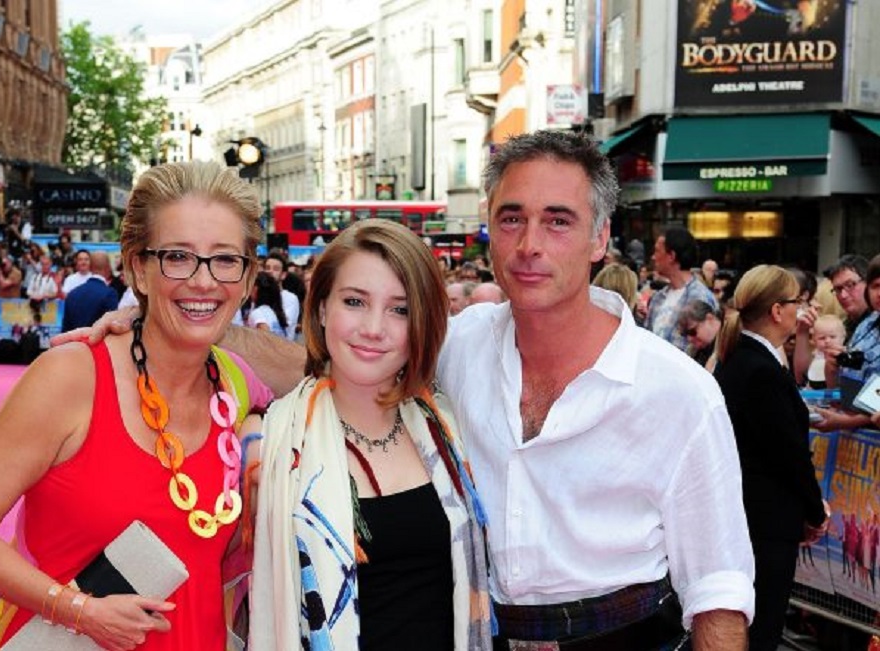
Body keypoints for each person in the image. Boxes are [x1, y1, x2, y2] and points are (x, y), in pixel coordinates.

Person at [71, 130, 756, 649]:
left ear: (601, 237)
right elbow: (325, 360)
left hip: (620, 636)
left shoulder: (679, 393)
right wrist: (151, 321)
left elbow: (719, 588)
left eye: (558, 220)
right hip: (483, 632)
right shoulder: (462, 347)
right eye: (511, 218)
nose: (530, 243)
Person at [0, 161, 272, 650]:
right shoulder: (72, 377)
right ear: (138, 267)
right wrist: (80, 610)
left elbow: (319, 380)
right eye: (178, 257)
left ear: (248, 276)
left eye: (225, 259)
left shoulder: (237, 387)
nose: (204, 281)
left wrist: (256, 433)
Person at [248, 219, 491, 651]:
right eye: (355, 301)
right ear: (322, 308)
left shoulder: (450, 428)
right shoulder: (268, 442)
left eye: (400, 309)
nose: (374, 327)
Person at [712, 264, 829, 651]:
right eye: (797, 301)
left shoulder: (738, 359)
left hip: (748, 517)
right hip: (764, 522)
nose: (801, 309)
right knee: (761, 627)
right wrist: (815, 511)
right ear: (777, 310)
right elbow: (788, 455)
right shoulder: (758, 369)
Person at [815, 253, 880, 432]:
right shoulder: (866, 325)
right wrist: (832, 368)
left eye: (850, 285)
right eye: (875, 286)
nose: (879, 293)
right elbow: (841, 389)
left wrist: (847, 422)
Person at [644, 226, 717, 350]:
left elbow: (705, 348)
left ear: (671, 256)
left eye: (657, 251)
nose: (653, 257)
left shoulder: (701, 297)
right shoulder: (658, 297)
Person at [60, 250, 119, 332]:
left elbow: (65, 329)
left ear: (90, 267)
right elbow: (111, 326)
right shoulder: (109, 294)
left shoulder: (72, 294)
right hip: (98, 339)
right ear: (108, 268)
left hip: (74, 339)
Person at [677, 299, 723, 370]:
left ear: (710, 318)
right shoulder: (692, 353)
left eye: (692, 331)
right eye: (685, 334)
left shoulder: (730, 344)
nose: (689, 338)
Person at [245, 271, 288, 338]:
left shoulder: (258, 313)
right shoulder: (271, 312)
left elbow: (266, 338)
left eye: (251, 285)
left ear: (256, 289)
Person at [806, 314, 845, 388]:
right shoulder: (814, 355)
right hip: (815, 390)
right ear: (814, 340)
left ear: (843, 338)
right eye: (822, 338)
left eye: (832, 337)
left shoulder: (843, 355)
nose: (827, 341)